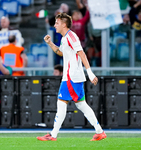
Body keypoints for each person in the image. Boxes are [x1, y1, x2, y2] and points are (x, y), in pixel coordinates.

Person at [37, 13, 106, 141]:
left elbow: (82, 53)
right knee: (82, 105)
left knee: (61, 103)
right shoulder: (65, 38)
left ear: (64, 24)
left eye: (57, 23)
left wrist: (90, 73)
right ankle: (100, 132)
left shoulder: (71, 36)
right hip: (74, 77)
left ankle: (53, 135)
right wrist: (50, 43)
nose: (54, 25)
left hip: (71, 77)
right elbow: (61, 52)